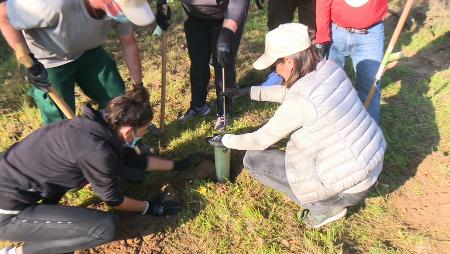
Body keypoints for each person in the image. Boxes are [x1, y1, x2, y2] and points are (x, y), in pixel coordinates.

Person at [209, 23, 386, 228]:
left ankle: (323, 207)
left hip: (347, 186)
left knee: (253, 160)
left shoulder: (300, 102)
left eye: (274, 64)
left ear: (289, 61)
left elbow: (260, 140)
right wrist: (247, 92)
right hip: (370, 164)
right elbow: (290, 92)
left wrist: (225, 140)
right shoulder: (327, 68)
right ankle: (333, 197)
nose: (274, 70)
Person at [0, 87, 193, 254]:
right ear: (128, 132)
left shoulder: (97, 124)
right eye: (143, 131)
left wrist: (176, 165)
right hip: (6, 212)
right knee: (105, 228)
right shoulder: (96, 152)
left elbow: (130, 159)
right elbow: (113, 200)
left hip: (15, 181)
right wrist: (148, 207)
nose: (142, 135)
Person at [0, 0, 155, 125]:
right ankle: (71, 157)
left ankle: (120, 143)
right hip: (50, 62)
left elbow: (128, 43)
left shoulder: (122, 8)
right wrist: (26, 57)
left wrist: (138, 86)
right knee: (60, 119)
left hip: (89, 52)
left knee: (116, 96)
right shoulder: (51, 4)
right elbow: (3, 14)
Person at [175, 0, 250, 131]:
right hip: (193, 14)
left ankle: (224, 111)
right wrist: (161, 4)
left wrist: (227, 32)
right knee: (198, 60)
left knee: (223, 62)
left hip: (226, 14)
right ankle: (198, 106)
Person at [315, 0, 387, 123]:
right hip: (336, 31)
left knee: (370, 88)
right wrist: (322, 35)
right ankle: (328, 126)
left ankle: (369, 136)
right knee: (330, 84)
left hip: (370, 34)